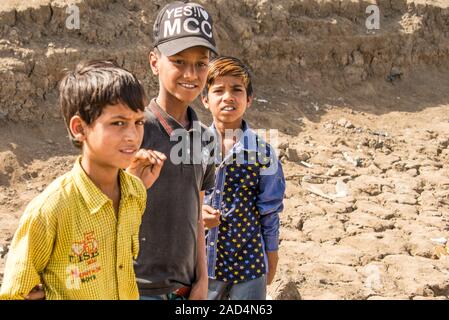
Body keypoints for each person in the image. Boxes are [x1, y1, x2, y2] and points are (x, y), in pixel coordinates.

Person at [0, 60, 166, 300]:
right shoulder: (51, 210)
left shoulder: (135, 194)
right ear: (80, 128)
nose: (132, 135)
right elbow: (13, 294)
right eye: (118, 123)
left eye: (138, 122)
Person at [134, 2, 218, 300]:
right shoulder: (135, 129)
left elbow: (196, 213)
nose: (191, 73)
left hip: (186, 289)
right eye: (179, 61)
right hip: (136, 288)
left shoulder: (206, 138)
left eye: (201, 63)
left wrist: (202, 280)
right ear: (155, 62)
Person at [201, 56, 285, 300]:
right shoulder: (193, 147)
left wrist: (272, 255)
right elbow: (179, 201)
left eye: (236, 89)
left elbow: (270, 209)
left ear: (248, 99)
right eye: (219, 90)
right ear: (205, 100)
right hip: (203, 263)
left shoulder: (263, 152)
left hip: (249, 264)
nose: (228, 96)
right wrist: (199, 213)